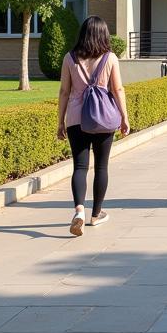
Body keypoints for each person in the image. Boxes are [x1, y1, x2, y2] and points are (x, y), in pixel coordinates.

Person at [57, 15, 130, 236]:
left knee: (80, 167)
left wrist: (60, 121)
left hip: (76, 119)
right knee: (101, 167)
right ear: (103, 35)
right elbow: (117, 90)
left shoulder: (70, 58)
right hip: (103, 119)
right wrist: (125, 117)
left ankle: (79, 209)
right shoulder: (110, 58)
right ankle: (96, 214)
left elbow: (64, 91)